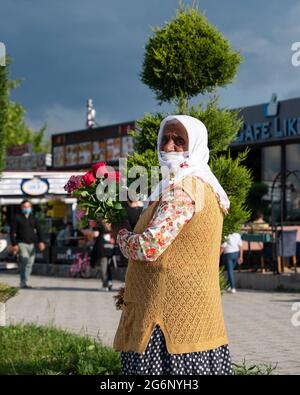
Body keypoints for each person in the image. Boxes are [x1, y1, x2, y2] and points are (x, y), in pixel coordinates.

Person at [113, 115, 233, 375]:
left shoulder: (182, 191)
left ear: (197, 145)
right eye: (165, 139)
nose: (168, 147)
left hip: (168, 321)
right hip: (195, 315)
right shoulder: (204, 187)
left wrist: (119, 234)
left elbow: (149, 247)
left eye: (179, 141)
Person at [10, 200, 45, 289]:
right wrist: (14, 244)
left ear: (31, 208)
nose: (27, 208)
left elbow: (39, 230)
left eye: (28, 207)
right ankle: (22, 281)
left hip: (32, 244)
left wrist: (41, 241)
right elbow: (12, 232)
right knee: (24, 260)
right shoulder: (17, 218)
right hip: (21, 243)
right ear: (22, 208)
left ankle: (25, 280)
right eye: (25, 207)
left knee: (30, 263)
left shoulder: (34, 218)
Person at [91, 220, 116, 291]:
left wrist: (92, 230)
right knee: (108, 266)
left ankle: (105, 285)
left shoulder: (98, 226)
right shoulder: (111, 226)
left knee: (103, 267)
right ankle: (110, 282)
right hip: (111, 248)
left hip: (102, 249)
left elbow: (95, 234)